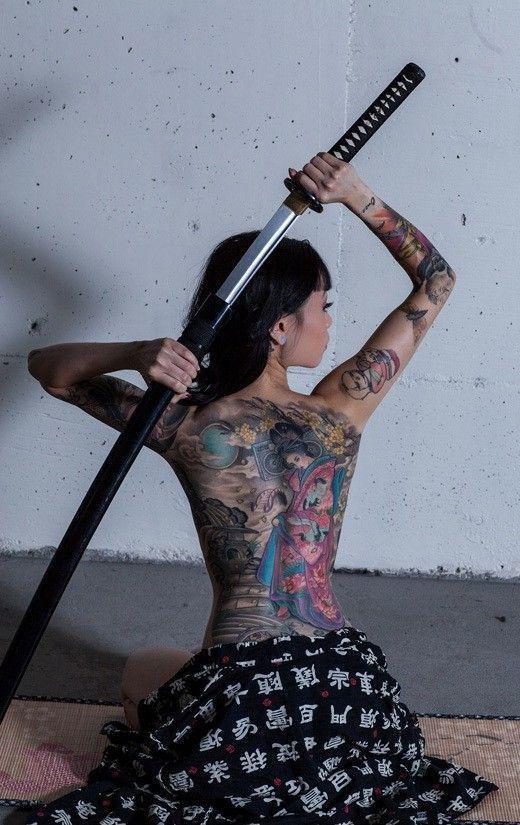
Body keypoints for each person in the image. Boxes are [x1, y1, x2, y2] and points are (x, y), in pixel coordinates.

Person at [25, 153, 498, 823]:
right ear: (280, 327)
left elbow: (50, 370)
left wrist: (137, 354)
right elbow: (437, 278)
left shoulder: (185, 423)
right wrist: (358, 197)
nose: (329, 322)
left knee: (140, 671)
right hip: (348, 686)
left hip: (242, 689)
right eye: (322, 309)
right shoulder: (341, 411)